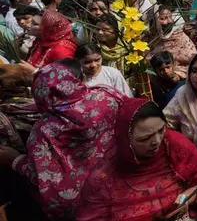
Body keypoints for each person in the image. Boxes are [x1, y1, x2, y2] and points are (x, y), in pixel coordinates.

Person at [0, 60, 123, 220]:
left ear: (39, 93)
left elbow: (44, 179)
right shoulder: (107, 97)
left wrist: (14, 160)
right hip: (121, 186)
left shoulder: (45, 129)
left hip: (82, 205)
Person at [76, 98, 197, 221]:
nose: (157, 141)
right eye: (145, 138)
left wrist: (187, 198)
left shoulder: (174, 144)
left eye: (161, 130)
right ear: (125, 140)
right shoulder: (103, 176)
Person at [147, 6, 197, 78]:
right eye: (163, 18)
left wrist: (177, 75)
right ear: (153, 21)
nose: (169, 21)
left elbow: (193, 60)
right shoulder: (149, 39)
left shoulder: (179, 36)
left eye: (170, 17)